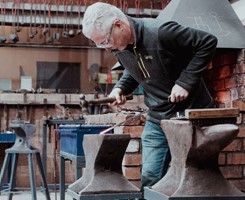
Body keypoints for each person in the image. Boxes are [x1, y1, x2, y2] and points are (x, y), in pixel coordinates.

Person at [82, 2, 218, 190]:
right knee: (150, 177)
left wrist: (185, 82)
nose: (106, 48)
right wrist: (120, 88)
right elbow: (134, 68)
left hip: (191, 116)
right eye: (99, 44)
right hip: (158, 118)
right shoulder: (119, 47)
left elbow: (207, 42)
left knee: (195, 180)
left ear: (119, 25)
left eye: (105, 41)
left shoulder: (161, 32)